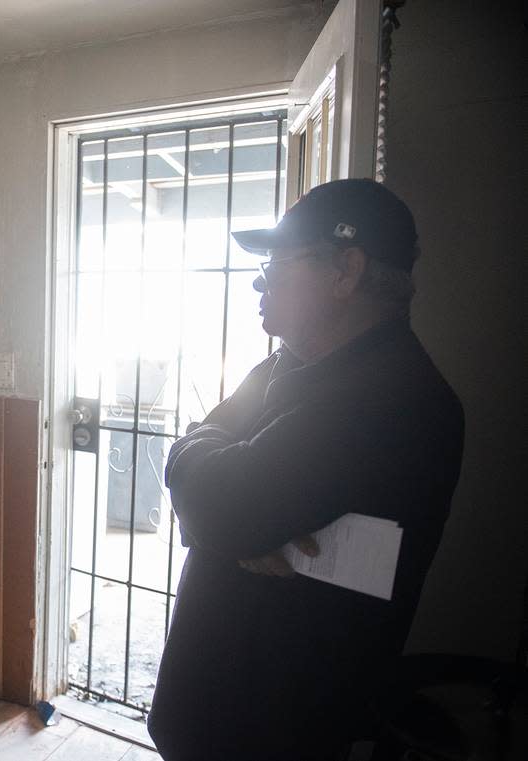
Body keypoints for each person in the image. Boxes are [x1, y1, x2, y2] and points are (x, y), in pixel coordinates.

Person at [146, 179, 465, 760]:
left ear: (346, 270)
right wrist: (221, 512)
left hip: (272, 727)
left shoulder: (389, 398)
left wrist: (220, 505)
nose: (258, 280)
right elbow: (204, 482)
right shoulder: (289, 366)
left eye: (276, 262)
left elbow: (220, 502)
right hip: (224, 717)